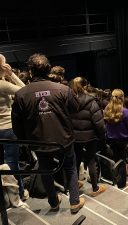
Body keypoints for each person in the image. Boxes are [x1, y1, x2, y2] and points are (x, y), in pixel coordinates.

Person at [12, 53, 85, 213]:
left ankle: (53, 202)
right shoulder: (63, 89)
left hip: (39, 141)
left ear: (30, 71)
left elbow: (16, 124)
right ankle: (74, 202)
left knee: (45, 170)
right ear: (48, 70)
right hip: (64, 138)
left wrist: (26, 141)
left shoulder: (21, 94)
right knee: (70, 168)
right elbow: (76, 108)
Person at [69, 77, 106, 196]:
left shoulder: (68, 101)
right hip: (90, 137)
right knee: (91, 161)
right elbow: (99, 124)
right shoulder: (92, 102)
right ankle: (95, 188)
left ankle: (74, 187)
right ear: (85, 87)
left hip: (75, 137)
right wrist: (102, 136)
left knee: (76, 161)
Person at [0, 54, 27, 200]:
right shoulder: (3, 85)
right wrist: (12, 75)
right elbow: (26, 91)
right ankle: (19, 194)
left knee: (3, 164)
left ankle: (6, 195)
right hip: (7, 128)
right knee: (12, 163)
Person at [103, 89, 128, 188]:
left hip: (111, 140)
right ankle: (122, 184)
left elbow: (106, 125)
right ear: (122, 98)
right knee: (122, 162)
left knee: (116, 160)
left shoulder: (107, 108)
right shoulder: (124, 111)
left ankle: (116, 179)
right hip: (123, 141)